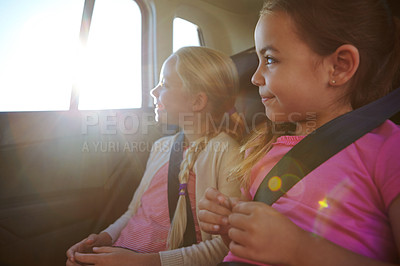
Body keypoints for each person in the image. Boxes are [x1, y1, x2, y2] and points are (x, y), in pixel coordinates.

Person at [198, 0, 400, 265]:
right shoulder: (259, 146)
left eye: (269, 59)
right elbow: (247, 248)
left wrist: (300, 250)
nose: (255, 77)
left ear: (339, 66)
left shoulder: (387, 150)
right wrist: (230, 227)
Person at [66, 46, 245, 266]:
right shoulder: (161, 147)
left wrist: (145, 262)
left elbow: (224, 245)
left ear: (197, 101)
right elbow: (134, 211)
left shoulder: (227, 153)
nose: (154, 91)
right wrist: (104, 238)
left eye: (165, 84)